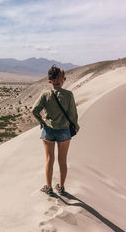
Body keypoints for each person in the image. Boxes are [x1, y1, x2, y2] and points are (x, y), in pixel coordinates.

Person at [32, 65, 80, 195]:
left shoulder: (45, 95)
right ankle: (61, 187)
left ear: (50, 80)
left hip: (48, 131)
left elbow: (34, 110)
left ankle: (49, 187)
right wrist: (76, 126)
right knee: (62, 161)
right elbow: (73, 114)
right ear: (63, 80)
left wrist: (42, 122)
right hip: (64, 131)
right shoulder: (68, 95)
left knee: (49, 160)